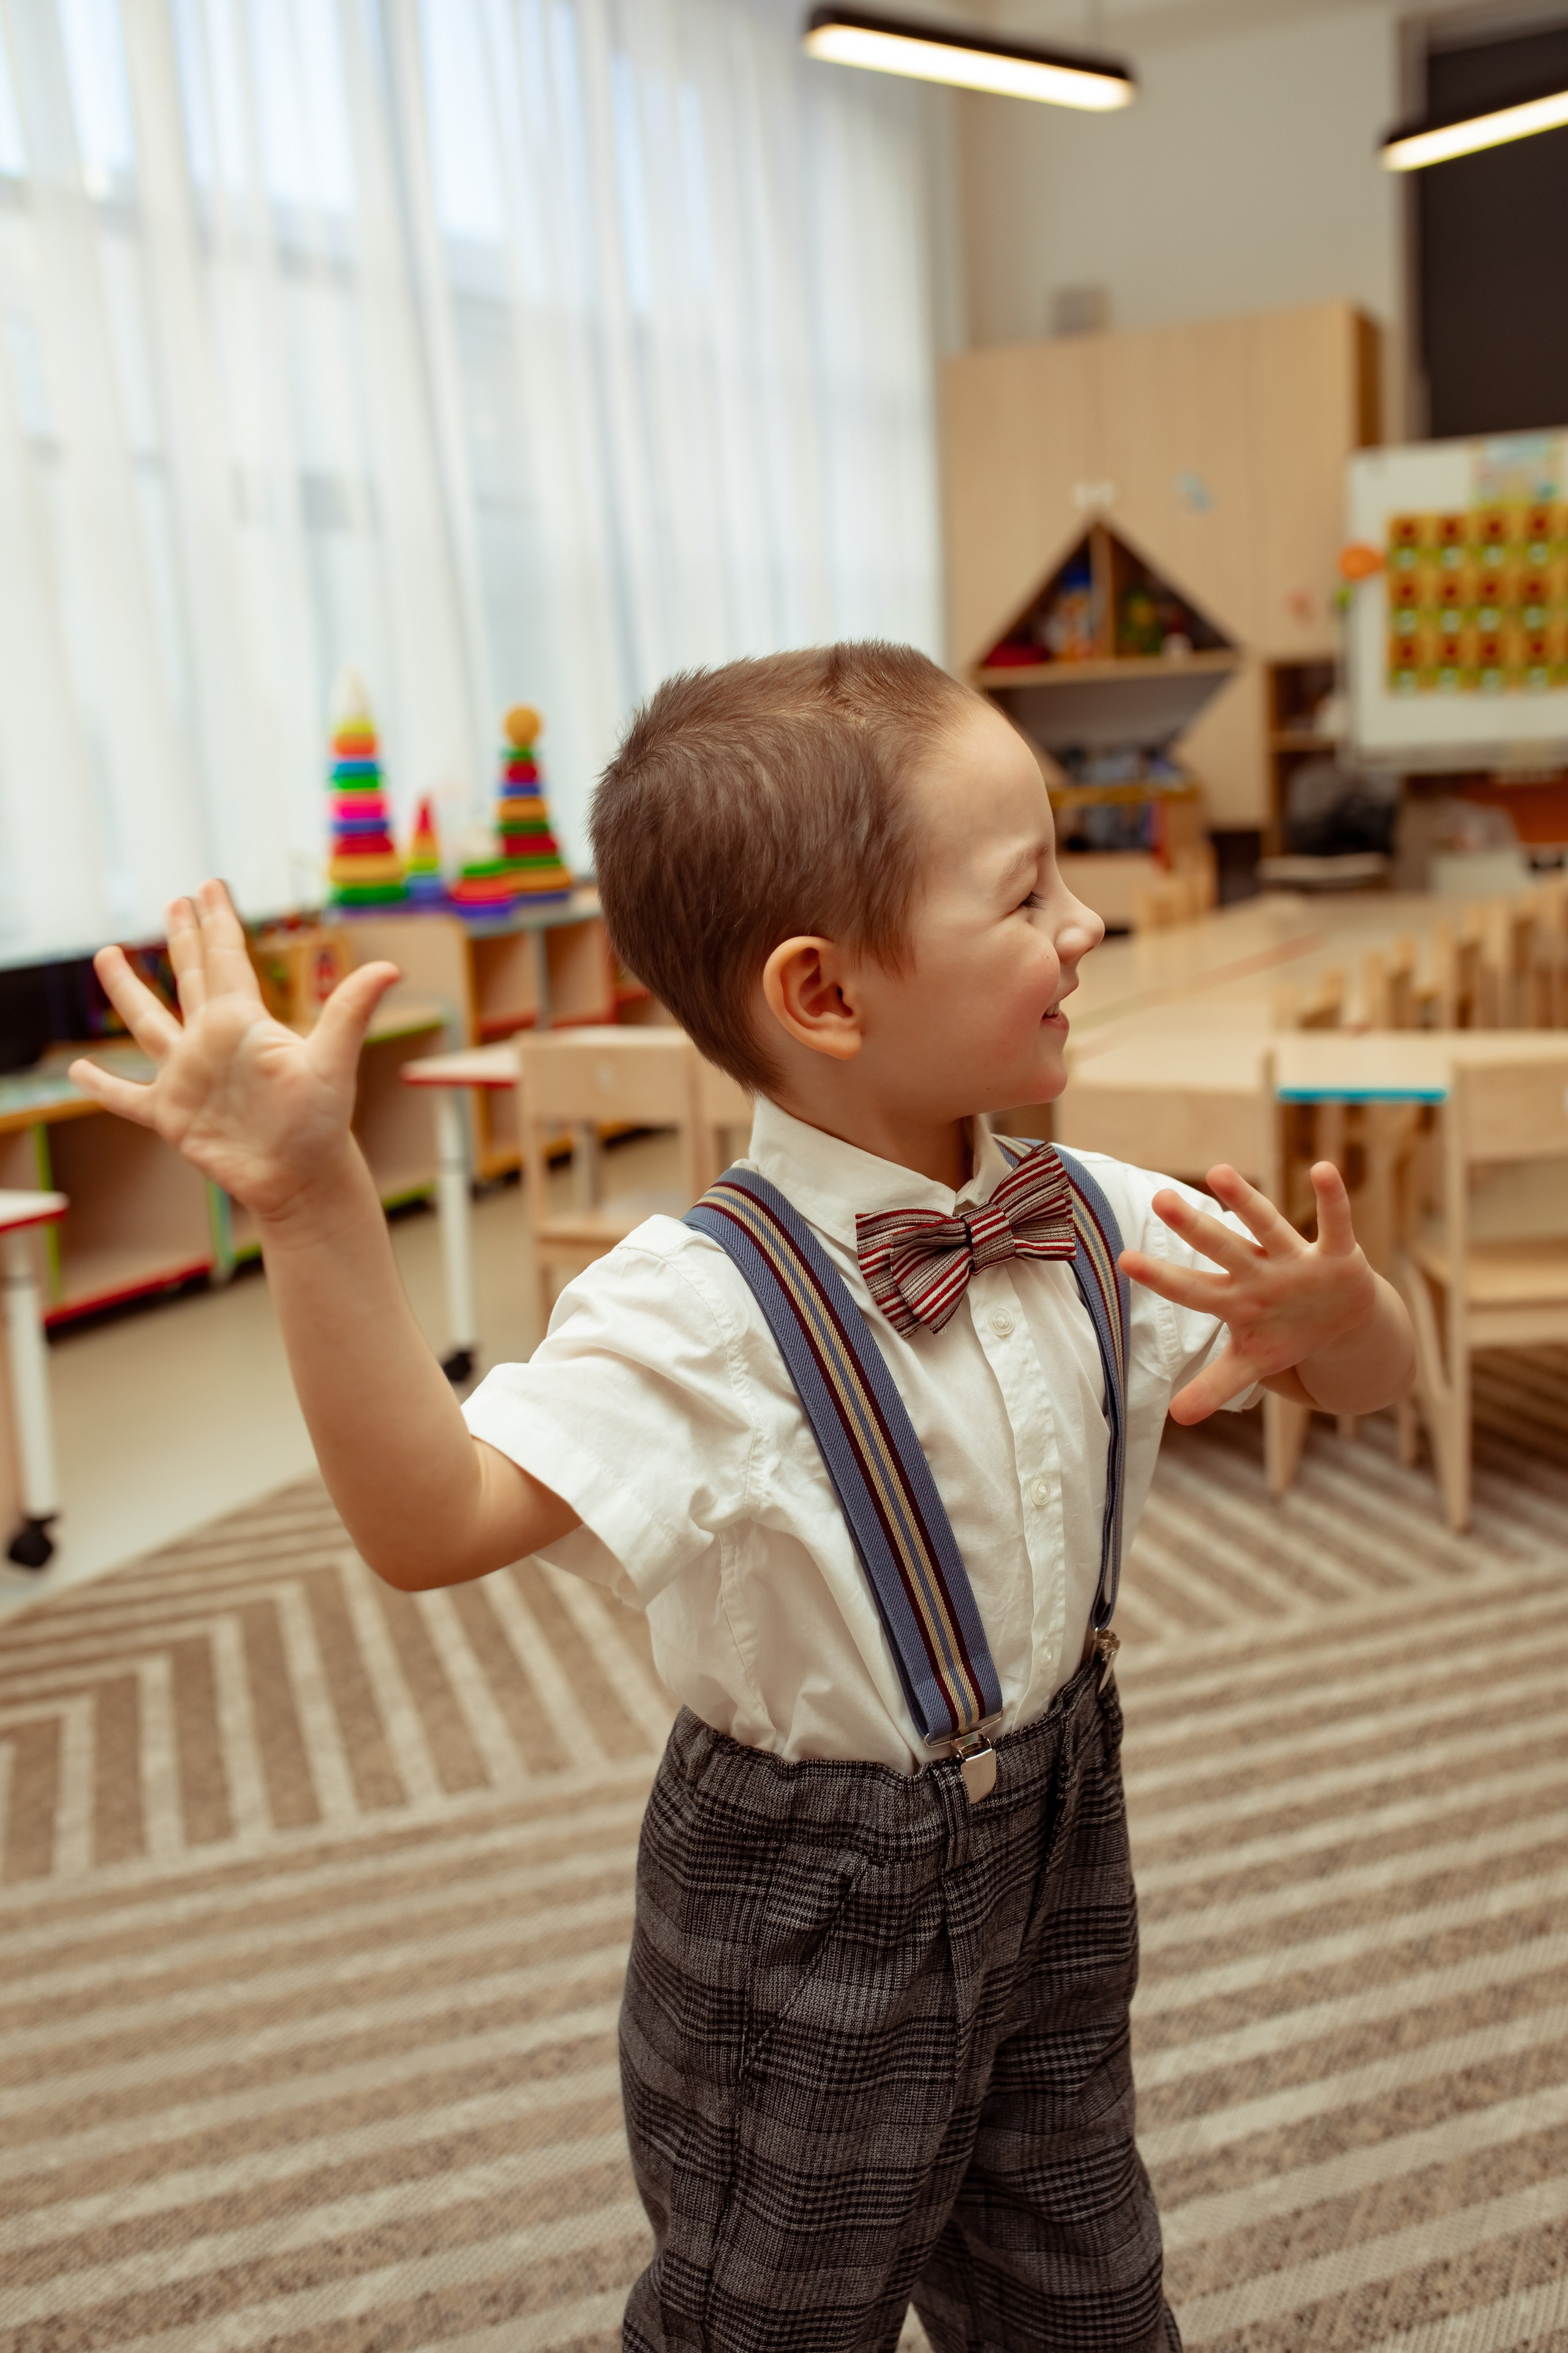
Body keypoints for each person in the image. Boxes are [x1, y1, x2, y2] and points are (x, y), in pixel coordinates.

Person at [74, 644, 1414, 2353]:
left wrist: (1347, 1319)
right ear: (827, 993)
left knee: (1086, 2280)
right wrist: (318, 1197)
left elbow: (1364, 1391)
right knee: (769, 2314)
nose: (1085, 924)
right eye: (1027, 895)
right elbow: (432, 1525)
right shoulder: (697, 1305)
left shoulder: (1096, 1209)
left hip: (1064, 1837)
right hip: (810, 1906)